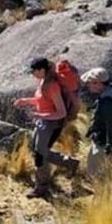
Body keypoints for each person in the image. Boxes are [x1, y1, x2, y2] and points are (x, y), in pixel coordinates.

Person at [13, 57, 80, 199]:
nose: (32, 74)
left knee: (40, 154)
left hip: (51, 124)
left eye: (34, 71)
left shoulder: (52, 85)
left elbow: (61, 112)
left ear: (42, 70)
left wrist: (39, 114)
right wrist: (25, 101)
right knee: (38, 151)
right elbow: (41, 100)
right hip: (43, 121)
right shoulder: (43, 81)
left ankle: (41, 188)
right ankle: (70, 163)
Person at [81, 67, 112, 179]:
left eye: (89, 83)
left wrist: (110, 146)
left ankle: (102, 193)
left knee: (94, 172)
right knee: (110, 166)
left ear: (97, 83)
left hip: (104, 142)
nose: (88, 86)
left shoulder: (108, 101)